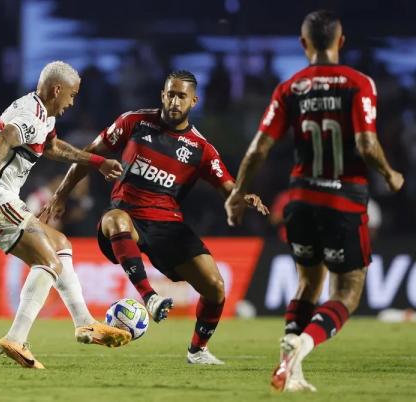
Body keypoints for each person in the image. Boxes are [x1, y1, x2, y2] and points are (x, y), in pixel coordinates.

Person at [224, 10, 404, 392]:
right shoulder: (359, 83)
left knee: (307, 284)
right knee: (347, 292)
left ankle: (289, 367)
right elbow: (366, 144)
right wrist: (390, 175)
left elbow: (258, 149)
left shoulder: (290, 88)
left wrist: (238, 192)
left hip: (301, 199)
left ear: (304, 44)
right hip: (344, 200)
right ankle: (302, 346)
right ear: (341, 40)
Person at [41, 70, 268, 365]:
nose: (174, 101)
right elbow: (89, 154)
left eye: (181, 96)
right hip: (128, 217)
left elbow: (228, 187)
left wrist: (243, 195)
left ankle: (198, 351)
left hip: (168, 225)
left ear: (193, 101)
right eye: (170, 94)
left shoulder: (201, 149)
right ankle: (149, 296)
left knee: (215, 287)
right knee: (114, 219)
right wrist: (60, 194)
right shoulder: (133, 122)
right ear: (162, 95)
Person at [0, 61, 131, 369]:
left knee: (61, 244)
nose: (72, 102)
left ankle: (85, 323)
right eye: (72, 95)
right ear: (57, 90)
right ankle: (16, 337)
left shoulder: (42, 115)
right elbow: (5, 138)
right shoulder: (30, 116)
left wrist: (96, 161)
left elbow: (52, 147)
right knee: (47, 261)